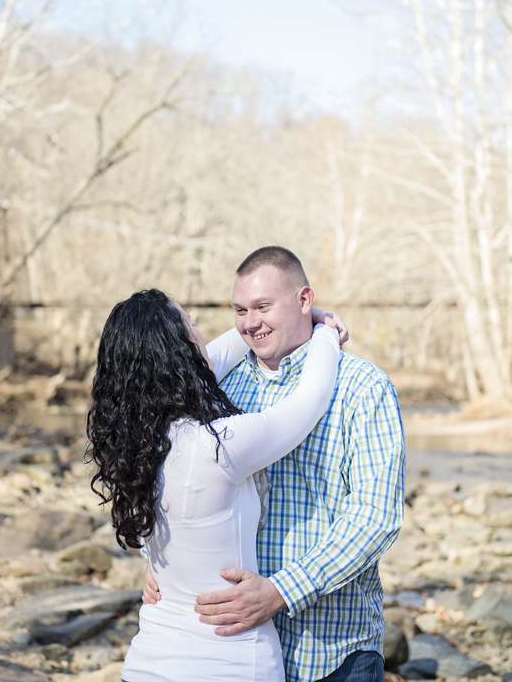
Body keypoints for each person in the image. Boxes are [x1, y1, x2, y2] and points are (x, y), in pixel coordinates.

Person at [143, 246, 406, 682]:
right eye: (240, 310)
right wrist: (156, 557)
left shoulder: (363, 387)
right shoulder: (217, 386)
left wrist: (283, 590)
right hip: (234, 652)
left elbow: (375, 517)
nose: (250, 322)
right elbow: (169, 475)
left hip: (332, 650)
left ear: (304, 300)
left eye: (263, 306)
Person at [86, 287, 343, 682]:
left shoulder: (136, 443)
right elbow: (312, 398)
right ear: (181, 349)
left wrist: (298, 317)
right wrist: (324, 330)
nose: (203, 333)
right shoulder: (220, 445)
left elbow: (217, 357)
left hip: (147, 664)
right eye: (192, 324)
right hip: (230, 665)